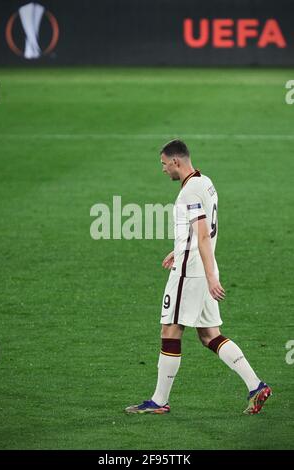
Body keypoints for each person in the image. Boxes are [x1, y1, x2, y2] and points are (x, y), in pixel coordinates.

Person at [125, 139, 272, 415]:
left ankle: (159, 401)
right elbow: (202, 231)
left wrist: (206, 275)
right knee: (209, 336)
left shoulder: (189, 193)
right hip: (202, 269)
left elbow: (203, 235)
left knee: (170, 330)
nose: (163, 170)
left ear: (176, 162)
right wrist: (179, 249)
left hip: (191, 274)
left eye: (164, 164)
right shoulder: (205, 182)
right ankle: (256, 385)